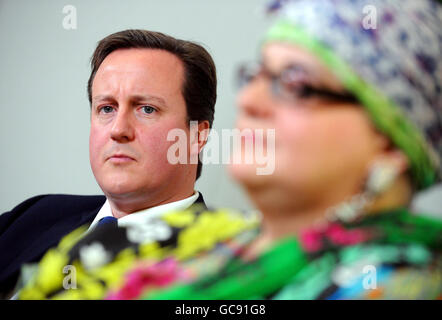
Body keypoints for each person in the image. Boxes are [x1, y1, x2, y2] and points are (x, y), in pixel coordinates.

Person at [18, 0, 442, 300]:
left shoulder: (400, 286)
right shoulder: (205, 254)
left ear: (389, 145)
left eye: (295, 84)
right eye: (257, 75)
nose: (250, 100)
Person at [0, 29, 217, 298]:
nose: (118, 129)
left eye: (147, 109)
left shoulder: (223, 263)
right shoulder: (34, 215)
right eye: (107, 108)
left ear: (197, 135)